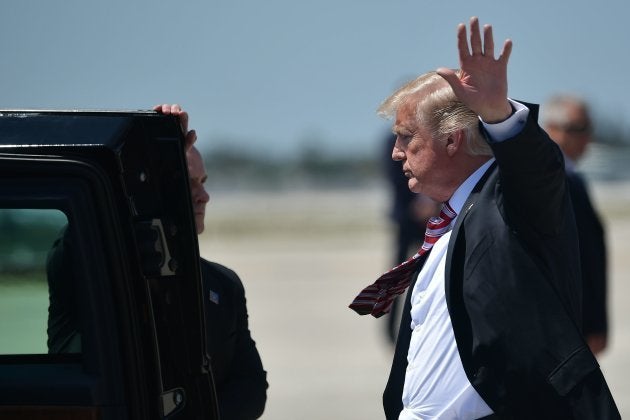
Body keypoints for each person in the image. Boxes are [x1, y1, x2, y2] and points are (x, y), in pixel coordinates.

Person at [349, 17, 619, 419]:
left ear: (451, 139)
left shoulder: (507, 200)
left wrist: (497, 114)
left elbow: (540, 170)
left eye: (407, 137)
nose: (396, 152)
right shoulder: (448, 222)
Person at [156, 104, 268, 419]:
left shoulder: (223, 284)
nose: (204, 196)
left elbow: (250, 387)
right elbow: (79, 237)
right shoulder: (105, 273)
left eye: (203, 182)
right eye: (188, 183)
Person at [542, 95, 608, 355]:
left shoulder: (572, 178)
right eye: (577, 129)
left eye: (588, 130)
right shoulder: (552, 179)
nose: (586, 138)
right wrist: (593, 324)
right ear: (551, 129)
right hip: (564, 325)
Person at [382, 132, 439, 345]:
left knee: (430, 276)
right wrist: (415, 203)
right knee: (397, 278)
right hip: (406, 220)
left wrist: (431, 202)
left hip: (433, 219)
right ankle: (390, 332)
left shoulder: (433, 138)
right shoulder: (391, 142)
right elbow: (393, 178)